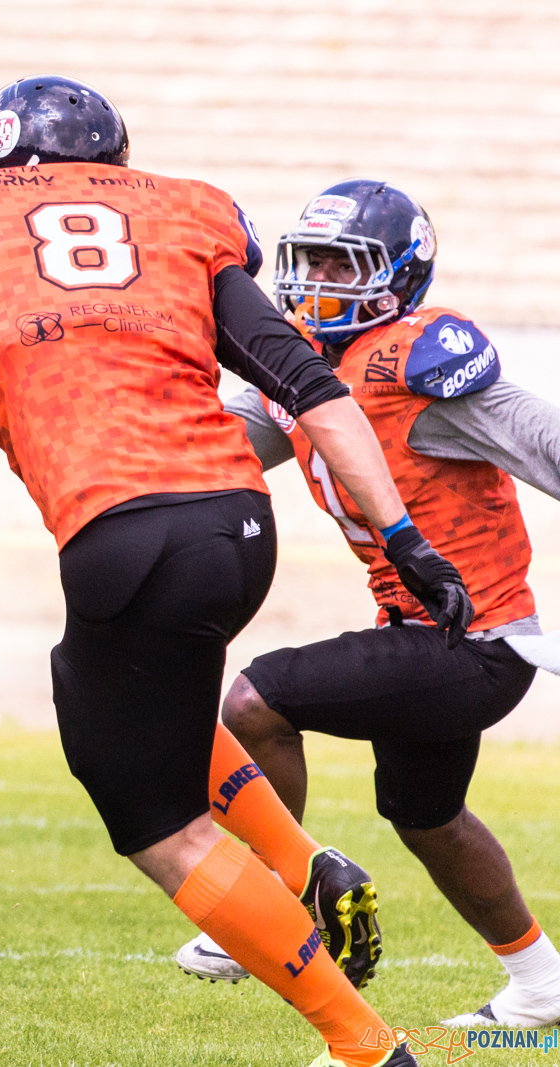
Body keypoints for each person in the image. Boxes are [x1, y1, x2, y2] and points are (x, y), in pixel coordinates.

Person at [0, 75, 474, 1067]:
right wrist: (408, 544)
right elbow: (316, 393)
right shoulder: (179, 220)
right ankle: (306, 864)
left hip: (127, 538)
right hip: (236, 526)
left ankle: (363, 1044)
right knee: (127, 695)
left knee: (158, 825)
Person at [173, 179, 560, 1030]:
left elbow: (544, 442)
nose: (316, 282)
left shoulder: (417, 363)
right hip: (425, 631)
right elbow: (215, 445)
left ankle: (276, 900)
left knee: (254, 699)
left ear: (397, 278)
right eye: (306, 262)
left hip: (479, 637)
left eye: (338, 265)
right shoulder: (308, 366)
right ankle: (542, 986)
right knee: (426, 814)